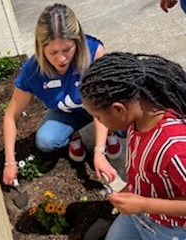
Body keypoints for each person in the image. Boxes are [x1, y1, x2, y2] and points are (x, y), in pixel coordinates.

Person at [2, 3, 122, 186]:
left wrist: (99, 151)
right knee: (46, 140)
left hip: (99, 108)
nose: (61, 58)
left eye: (67, 50)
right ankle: (72, 133)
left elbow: (103, 102)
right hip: (68, 112)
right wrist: (10, 162)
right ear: (40, 48)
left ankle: (109, 130)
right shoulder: (32, 71)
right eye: (53, 52)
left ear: (78, 41)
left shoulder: (94, 52)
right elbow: (11, 115)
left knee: (126, 114)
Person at [80, 52, 186, 239]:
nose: (99, 123)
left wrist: (144, 204)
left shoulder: (174, 148)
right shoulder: (136, 122)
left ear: (119, 109)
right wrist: (130, 191)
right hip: (138, 213)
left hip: (169, 229)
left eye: (99, 117)